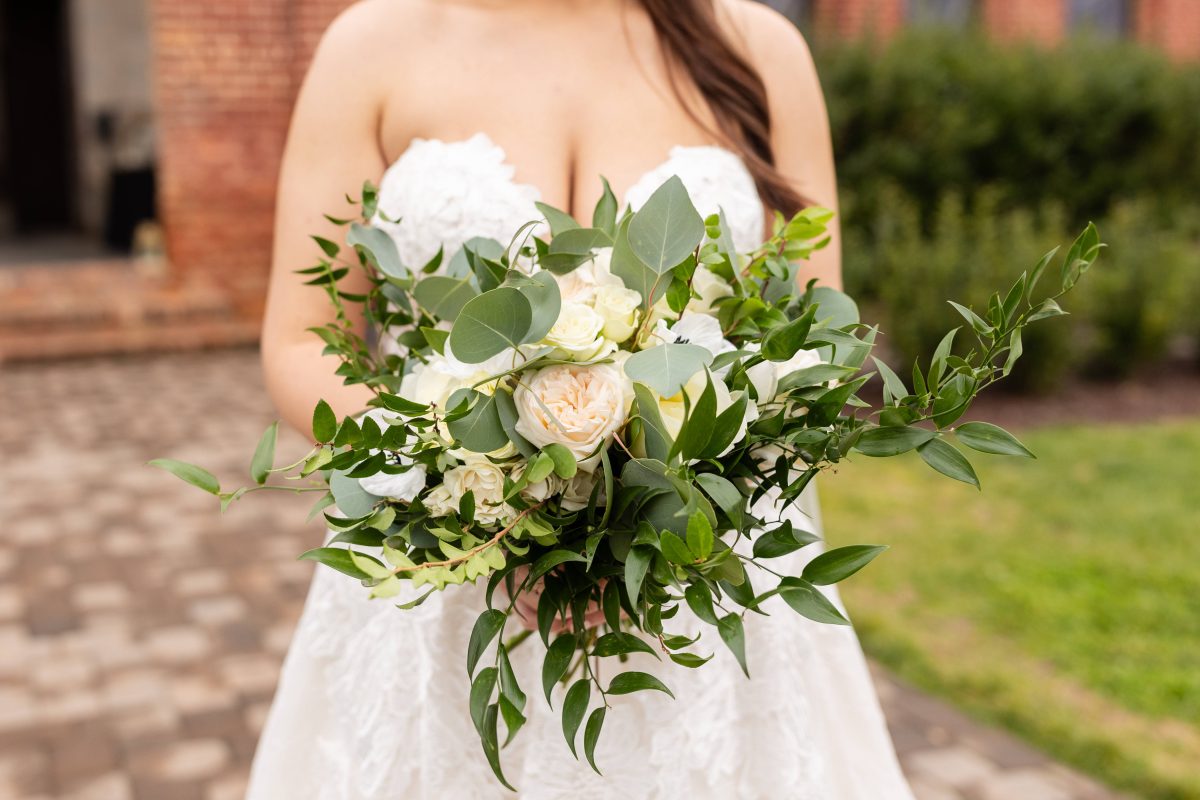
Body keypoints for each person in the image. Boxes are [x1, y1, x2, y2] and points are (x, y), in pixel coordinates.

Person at [254, 1, 915, 797]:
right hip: (442, 573)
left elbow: (820, 340)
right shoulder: (372, 45)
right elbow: (302, 338)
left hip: (700, 579)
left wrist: (666, 508)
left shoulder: (758, 46)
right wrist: (475, 498)